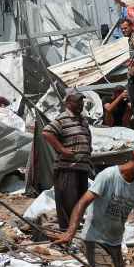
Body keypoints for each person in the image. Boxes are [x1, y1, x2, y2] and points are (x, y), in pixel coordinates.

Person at [41, 92, 93, 231]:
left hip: (82, 167)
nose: (81, 105)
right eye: (77, 102)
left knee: (80, 201)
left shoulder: (82, 120)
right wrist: (62, 150)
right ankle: (66, 231)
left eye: (82, 103)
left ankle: (74, 229)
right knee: (67, 202)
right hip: (68, 167)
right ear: (68, 103)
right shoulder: (63, 118)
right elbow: (47, 132)